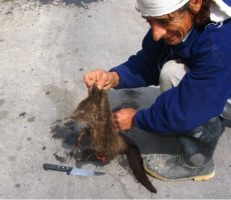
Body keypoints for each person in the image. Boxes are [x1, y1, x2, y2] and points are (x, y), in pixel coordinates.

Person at [83, 0, 231, 181]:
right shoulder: (178, 17)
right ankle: (184, 115)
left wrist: (137, 118)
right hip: (220, 76)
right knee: (171, 70)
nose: (156, 34)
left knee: (188, 94)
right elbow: (152, 61)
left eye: (164, 22)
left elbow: (191, 106)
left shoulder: (220, 43)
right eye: (150, 22)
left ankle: (198, 162)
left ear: (195, 3)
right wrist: (115, 77)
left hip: (223, 78)